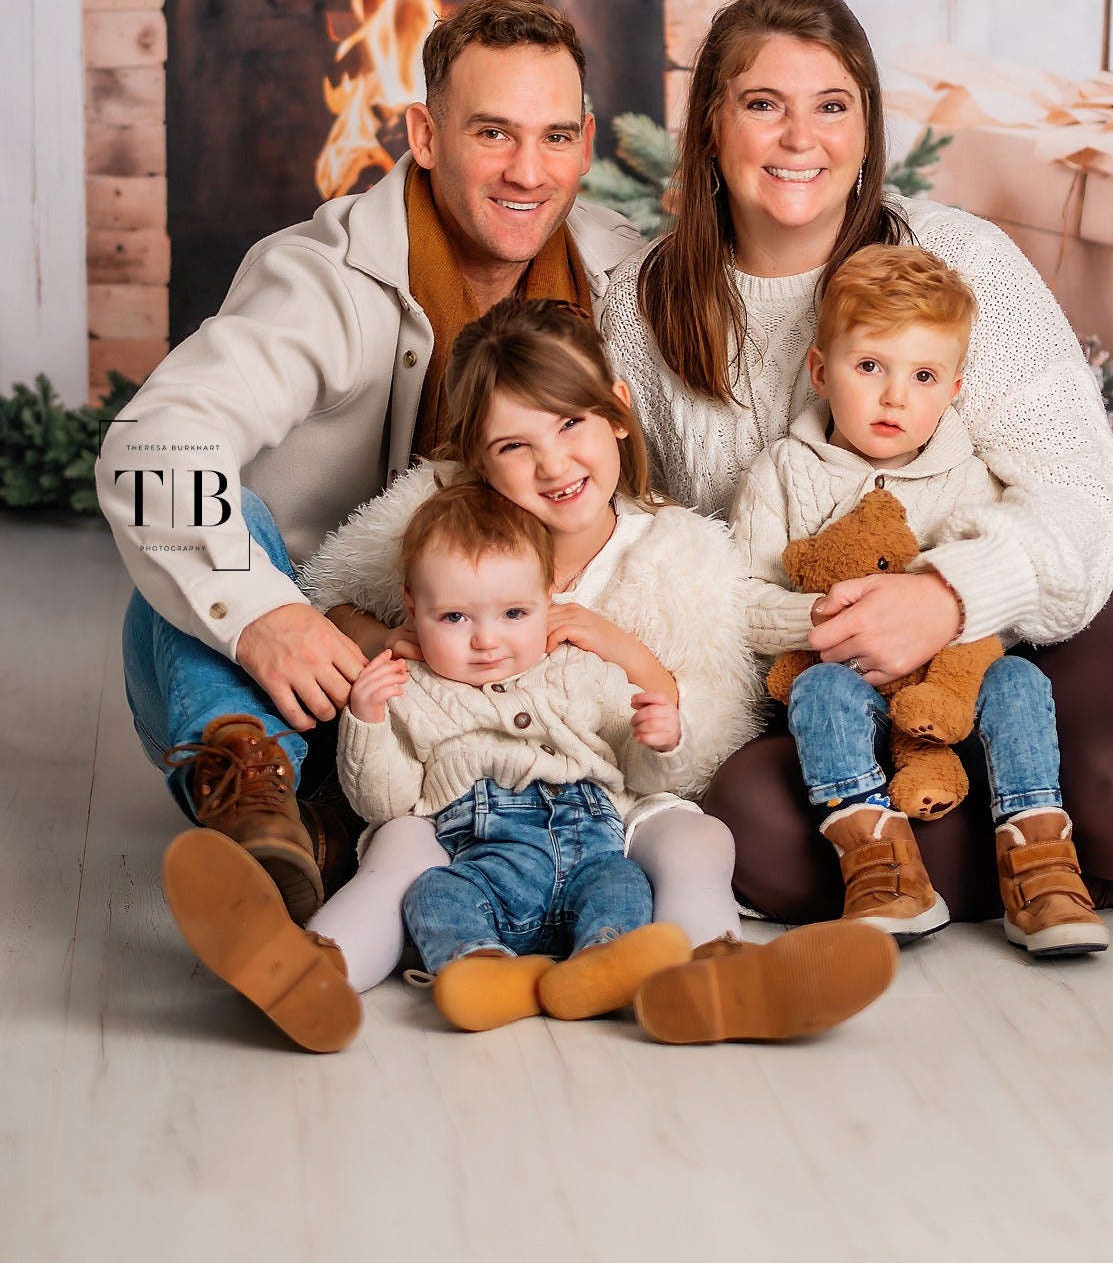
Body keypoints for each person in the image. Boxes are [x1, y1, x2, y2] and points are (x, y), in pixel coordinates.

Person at [600, 0, 1113, 925]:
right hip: (836, 672)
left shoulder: (955, 260)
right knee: (758, 835)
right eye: (764, 105)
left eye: (831, 107)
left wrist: (946, 596)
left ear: (867, 130)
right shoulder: (639, 307)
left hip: (1052, 620)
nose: (801, 140)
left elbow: (1081, 497)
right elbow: (647, 543)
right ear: (712, 127)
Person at [100, 0, 639, 922]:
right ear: (425, 135)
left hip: (506, 674)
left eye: (555, 137)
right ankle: (262, 808)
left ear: (587, 143)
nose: (527, 171)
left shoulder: (618, 271)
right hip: (307, 678)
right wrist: (265, 617)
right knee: (226, 542)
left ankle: (333, 850)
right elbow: (152, 450)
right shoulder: (320, 278)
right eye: (492, 133)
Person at [299, 296, 895, 1042]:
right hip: (460, 803)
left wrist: (639, 670)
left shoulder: (678, 551)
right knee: (394, 850)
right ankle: (313, 970)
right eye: (513, 447)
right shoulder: (447, 515)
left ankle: (712, 977)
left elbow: (707, 725)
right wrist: (393, 638)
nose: (553, 465)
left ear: (616, 411)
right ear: (477, 460)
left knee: (698, 841)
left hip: (611, 796)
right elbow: (327, 595)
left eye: (569, 423)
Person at [163, 479, 696, 1047]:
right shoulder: (408, 688)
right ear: (414, 610)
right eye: (455, 619)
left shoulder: (582, 671)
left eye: (515, 613)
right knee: (431, 896)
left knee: (624, 883)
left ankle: (602, 962)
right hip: (484, 868)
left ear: (550, 601)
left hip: (591, 856)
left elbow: (640, 778)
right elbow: (385, 804)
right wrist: (366, 720)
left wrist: (660, 741)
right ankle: (477, 969)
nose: (487, 640)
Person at [731, 245, 1108, 956]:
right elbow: (741, 600)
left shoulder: (966, 479)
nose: (894, 397)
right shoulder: (782, 470)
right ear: (820, 370)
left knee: (1019, 679)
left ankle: (1040, 861)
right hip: (853, 687)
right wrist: (817, 618)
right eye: (869, 366)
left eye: (923, 376)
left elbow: (989, 606)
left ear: (953, 388)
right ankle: (880, 864)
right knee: (817, 692)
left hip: (948, 691)